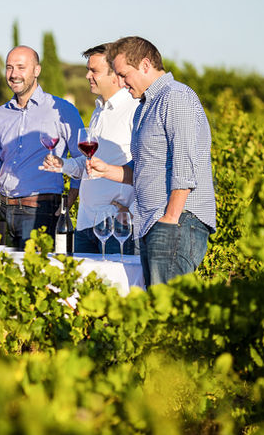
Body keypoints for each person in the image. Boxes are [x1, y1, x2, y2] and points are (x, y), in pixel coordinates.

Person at [87, 36, 216, 286]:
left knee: (167, 312)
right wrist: (106, 170)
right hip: (153, 223)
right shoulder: (145, 107)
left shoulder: (175, 97)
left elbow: (184, 164)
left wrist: (170, 220)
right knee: (156, 310)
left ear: (145, 65)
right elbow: (143, 171)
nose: (122, 83)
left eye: (125, 75)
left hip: (175, 222)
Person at [0, 46, 84, 248]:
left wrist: (69, 202)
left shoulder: (61, 110)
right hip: (3, 210)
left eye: (21, 67)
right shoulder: (1, 114)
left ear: (37, 71)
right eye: (9, 67)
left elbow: (82, 160)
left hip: (41, 211)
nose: (14, 74)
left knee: (35, 276)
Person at [42, 44, 139, 254]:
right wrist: (62, 165)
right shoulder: (98, 111)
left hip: (116, 224)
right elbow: (89, 164)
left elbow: (146, 165)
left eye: (94, 70)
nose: (87, 75)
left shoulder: (134, 110)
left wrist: (133, 212)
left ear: (115, 74)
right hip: (86, 223)